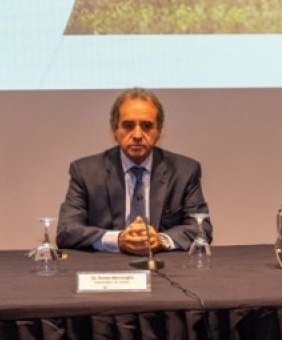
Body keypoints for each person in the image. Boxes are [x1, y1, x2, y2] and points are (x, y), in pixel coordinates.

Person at [57, 87, 211, 255]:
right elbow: (67, 231)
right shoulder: (85, 172)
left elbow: (201, 228)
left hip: (163, 267)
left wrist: (161, 239)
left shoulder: (184, 171)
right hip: (107, 270)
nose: (137, 134)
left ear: (159, 131)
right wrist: (117, 239)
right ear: (114, 131)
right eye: (128, 126)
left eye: (146, 126)